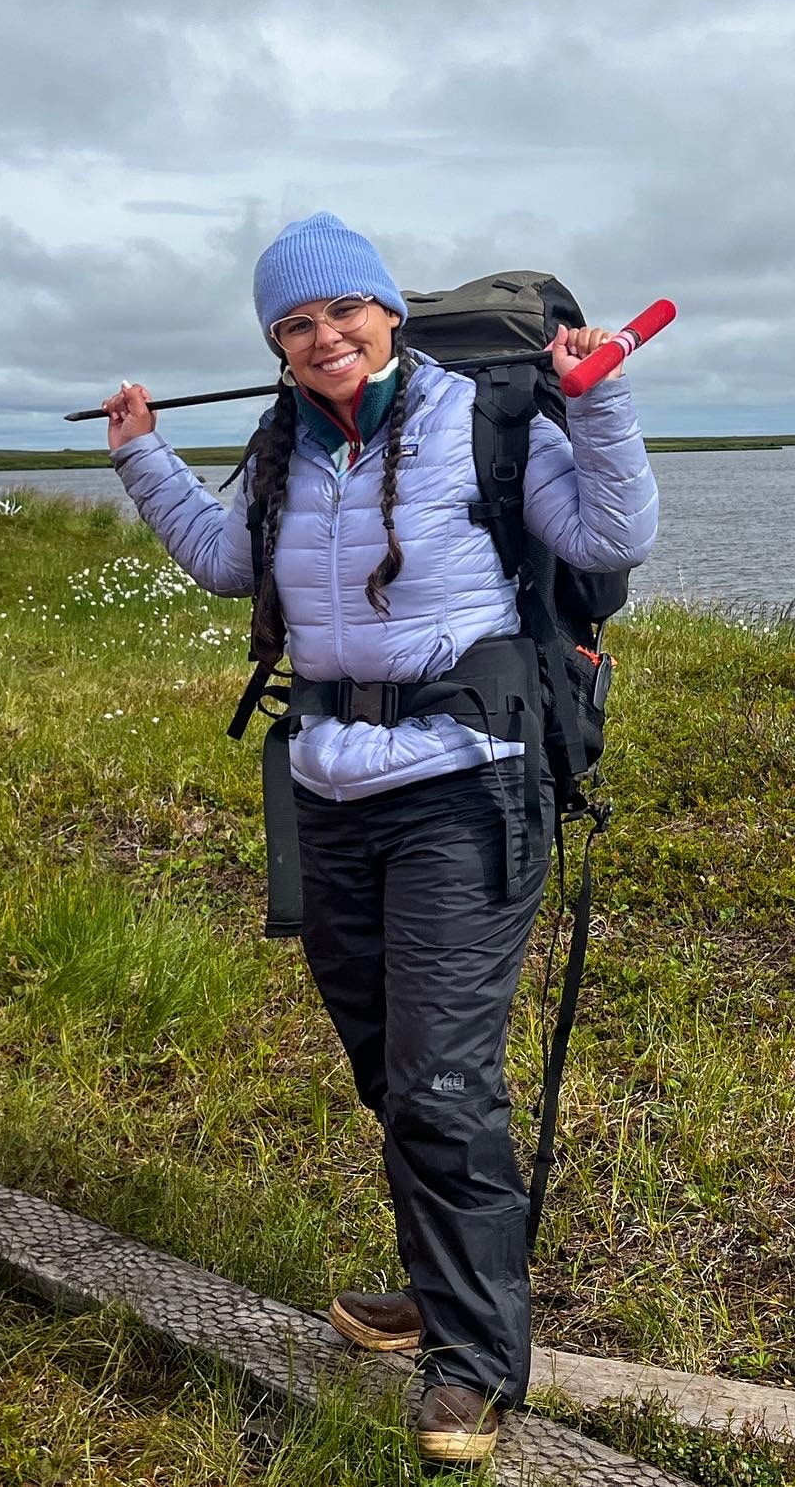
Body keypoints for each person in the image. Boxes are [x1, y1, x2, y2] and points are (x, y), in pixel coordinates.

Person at [102, 212, 658, 1465]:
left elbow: (611, 539)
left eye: (340, 312)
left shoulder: (480, 419)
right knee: (386, 1064)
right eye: (293, 326)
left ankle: (472, 1364)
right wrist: (145, 459)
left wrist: (602, 403)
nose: (321, 338)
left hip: (467, 783)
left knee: (443, 1078)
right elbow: (224, 562)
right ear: (277, 347)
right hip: (328, 789)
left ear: (386, 312)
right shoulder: (281, 446)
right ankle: (444, 1287)